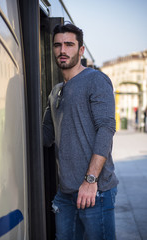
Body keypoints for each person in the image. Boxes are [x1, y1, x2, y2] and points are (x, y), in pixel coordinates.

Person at [43, 23, 119, 240]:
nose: (63, 50)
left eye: (69, 44)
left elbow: (106, 129)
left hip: (95, 191)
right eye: (58, 45)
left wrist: (90, 180)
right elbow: (46, 134)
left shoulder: (96, 80)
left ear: (81, 50)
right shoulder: (56, 91)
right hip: (65, 194)